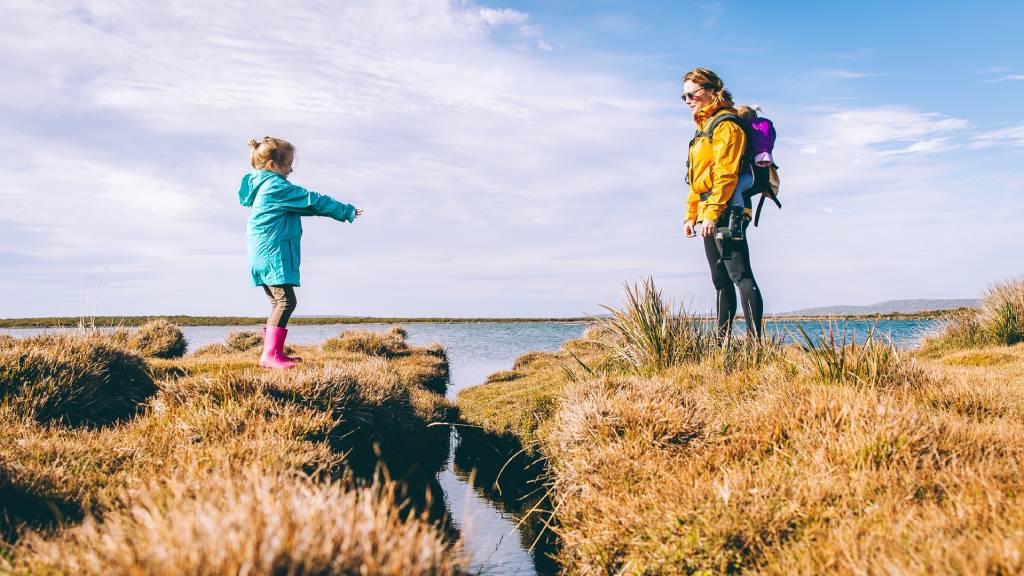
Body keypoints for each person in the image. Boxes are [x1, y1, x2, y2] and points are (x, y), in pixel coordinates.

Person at [239, 137, 363, 369]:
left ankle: (275, 353)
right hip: (272, 252)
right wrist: (345, 210)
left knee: (278, 302)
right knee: (286, 301)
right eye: (287, 164)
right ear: (272, 165)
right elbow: (311, 200)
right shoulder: (276, 187)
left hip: (262, 253)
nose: (291, 168)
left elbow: (307, 207)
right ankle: (270, 355)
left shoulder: (264, 186)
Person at [681, 68, 765, 341]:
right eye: (684, 97)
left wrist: (713, 214)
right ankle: (721, 344)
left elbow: (726, 174)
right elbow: (697, 180)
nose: (688, 100)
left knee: (740, 275)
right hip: (708, 211)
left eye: (692, 94)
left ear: (710, 90)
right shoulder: (702, 129)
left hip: (728, 209)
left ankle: (755, 345)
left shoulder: (726, 125)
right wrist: (690, 216)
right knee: (720, 281)